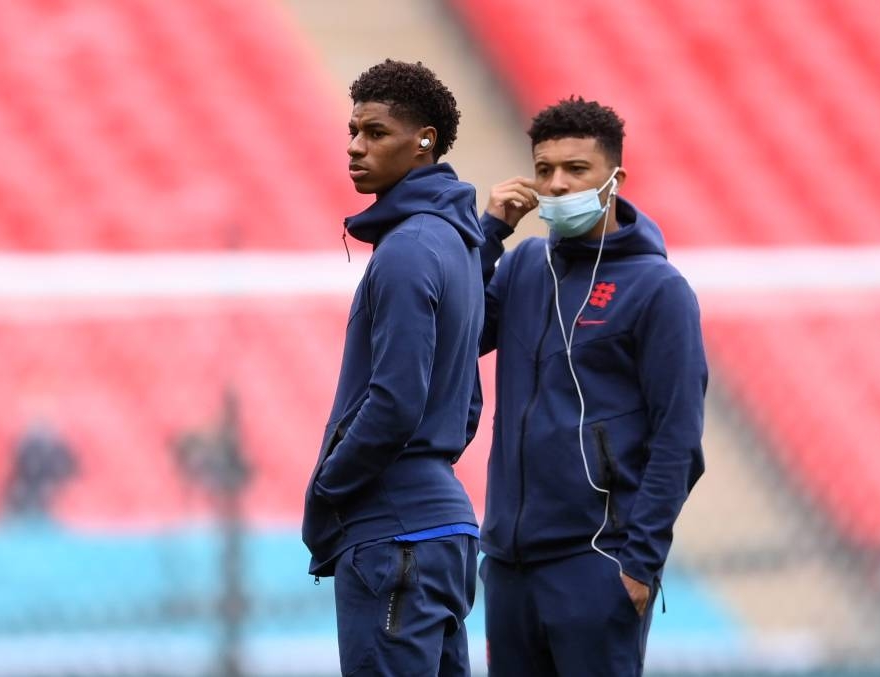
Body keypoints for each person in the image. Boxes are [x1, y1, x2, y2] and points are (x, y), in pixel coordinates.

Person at [476, 97, 708, 676]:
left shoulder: (658, 290)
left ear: (614, 179)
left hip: (596, 564)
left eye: (576, 170)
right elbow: (458, 336)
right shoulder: (526, 265)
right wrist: (487, 237)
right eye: (545, 170)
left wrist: (638, 563)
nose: (557, 185)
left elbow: (678, 437)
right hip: (507, 565)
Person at [302, 60, 484, 676]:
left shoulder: (407, 249)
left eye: (376, 133)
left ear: (424, 140)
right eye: (352, 131)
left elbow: (396, 401)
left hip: (395, 532)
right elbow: (467, 398)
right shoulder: (455, 244)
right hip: (444, 531)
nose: (355, 147)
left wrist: (330, 483)